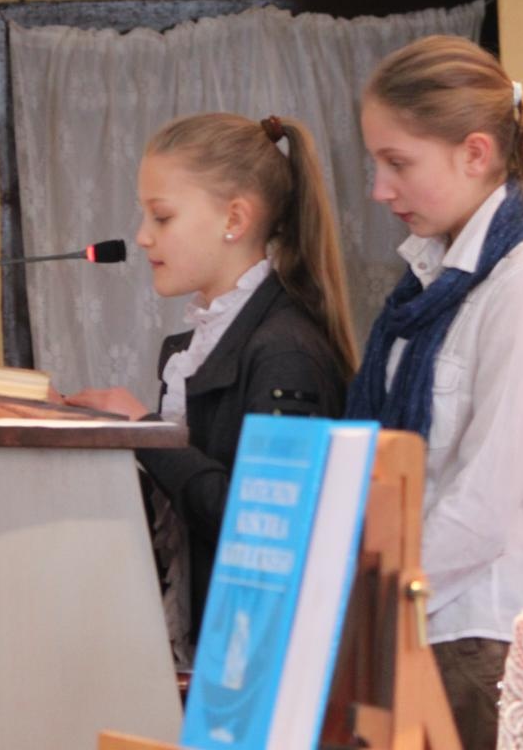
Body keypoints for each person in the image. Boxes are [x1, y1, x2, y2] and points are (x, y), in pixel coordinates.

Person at [346, 35, 523, 750]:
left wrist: (365, 591)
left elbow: (483, 506)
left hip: (477, 644)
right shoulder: (432, 285)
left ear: (476, 153)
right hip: (423, 629)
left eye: (398, 163)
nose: (379, 189)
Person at [66, 111, 358, 663]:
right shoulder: (198, 346)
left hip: (265, 655)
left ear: (235, 218)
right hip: (218, 644)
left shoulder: (285, 350)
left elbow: (264, 528)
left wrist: (146, 433)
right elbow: (185, 506)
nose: (142, 236)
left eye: (162, 216)